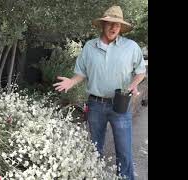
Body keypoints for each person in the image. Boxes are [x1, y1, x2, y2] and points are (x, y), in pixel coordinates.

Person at [53, 5, 146, 180]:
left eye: (117, 25)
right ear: (103, 24)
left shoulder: (131, 47)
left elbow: (141, 71)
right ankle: (95, 176)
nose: (113, 28)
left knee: (124, 150)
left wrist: (134, 84)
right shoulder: (89, 47)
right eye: (110, 23)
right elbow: (81, 73)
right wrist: (71, 82)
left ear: (121, 27)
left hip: (120, 104)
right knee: (95, 149)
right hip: (95, 105)